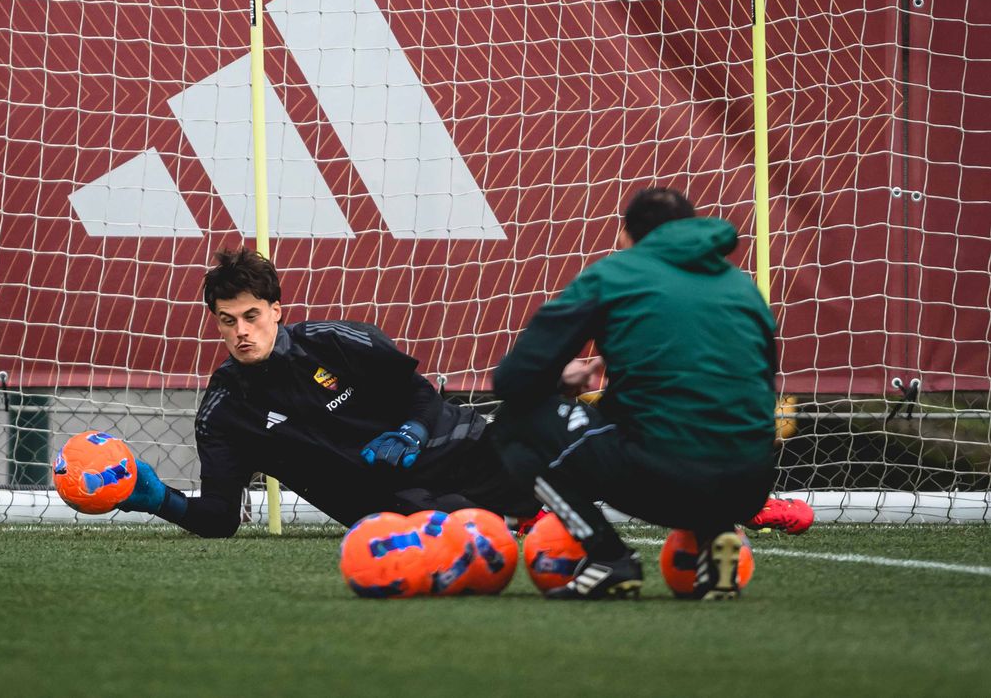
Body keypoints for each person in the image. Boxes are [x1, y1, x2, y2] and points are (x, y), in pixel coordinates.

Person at [489, 187, 788, 600]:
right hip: (749, 485)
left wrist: (563, 380)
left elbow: (513, 381)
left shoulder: (615, 275)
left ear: (626, 236)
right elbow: (754, 383)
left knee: (514, 423)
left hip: (660, 478)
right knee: (694, 422)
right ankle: (716, 535)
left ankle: (609, 559)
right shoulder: (743, 290)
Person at [115, 248, 541, 537]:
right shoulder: (224, 414)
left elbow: (420, 393)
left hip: (462, 450)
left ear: (275, 311)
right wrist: (160, 501)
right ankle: (517, 521)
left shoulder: (333, 340)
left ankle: (529, 509)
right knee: (460, 533)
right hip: (400, 510)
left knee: (567, 462)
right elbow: (220, 518)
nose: (242, 332)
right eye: (228, 321)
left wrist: (411, 432)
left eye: (251, 316)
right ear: (216, 321)